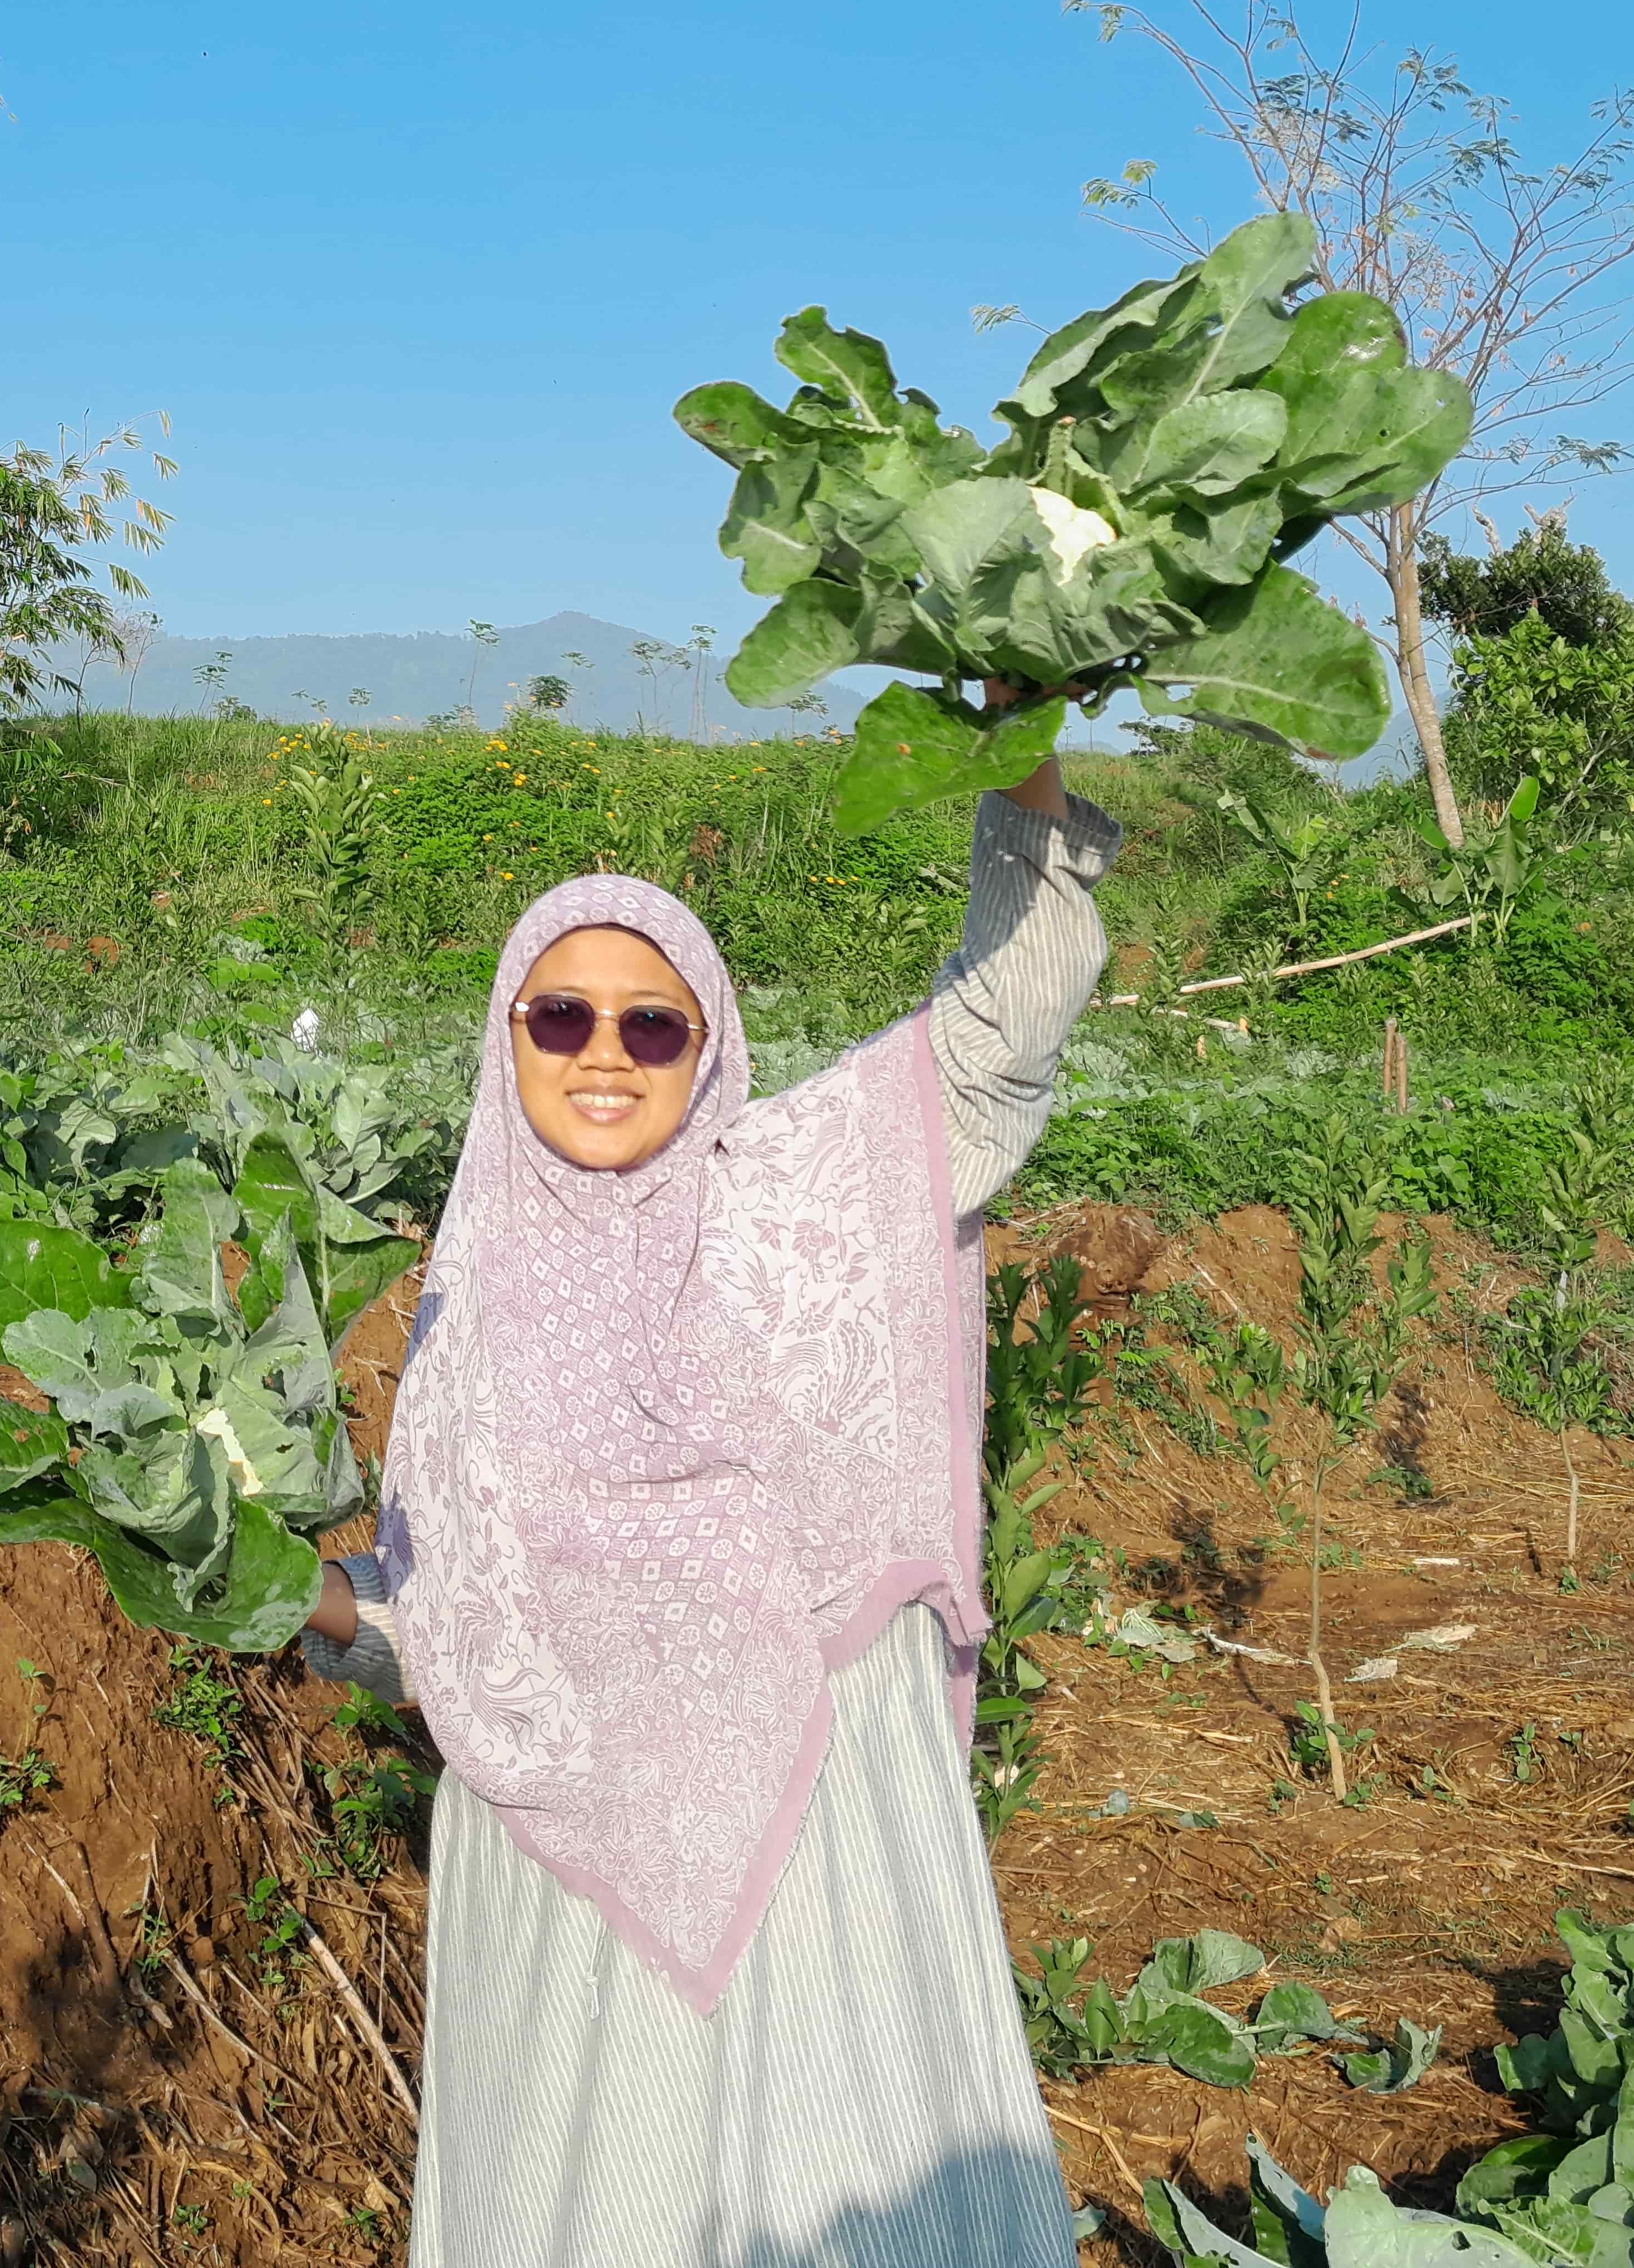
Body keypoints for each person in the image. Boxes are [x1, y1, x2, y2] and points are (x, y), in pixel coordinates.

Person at [296, 735, 1116, 2267]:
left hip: (823, 1861)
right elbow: (464, 1626)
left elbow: (1006, 1024)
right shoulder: (469, 1315)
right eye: (561, 1016)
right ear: (509, 1041)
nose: (603, 1053)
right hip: (566, 1906)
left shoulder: (811, 1191)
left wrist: (1023, 727)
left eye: (650, 1026)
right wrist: (303, 1601)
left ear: (707, 1041)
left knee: (840, 2193)